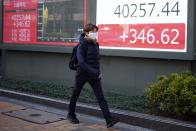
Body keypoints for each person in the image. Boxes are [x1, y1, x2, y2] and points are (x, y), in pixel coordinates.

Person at [67, 24, 120, 128]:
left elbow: (96, 61)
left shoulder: (96, 44)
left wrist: (97, 72)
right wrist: (95, 72)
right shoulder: (81, 46)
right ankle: (71, 114)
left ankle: (109, 120)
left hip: (94, 76)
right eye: (93, 32)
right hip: (82, 74)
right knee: (75, 94)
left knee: (101, 97)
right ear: (86, 33)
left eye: (96, 32)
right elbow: (81, 63)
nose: (95, 34)